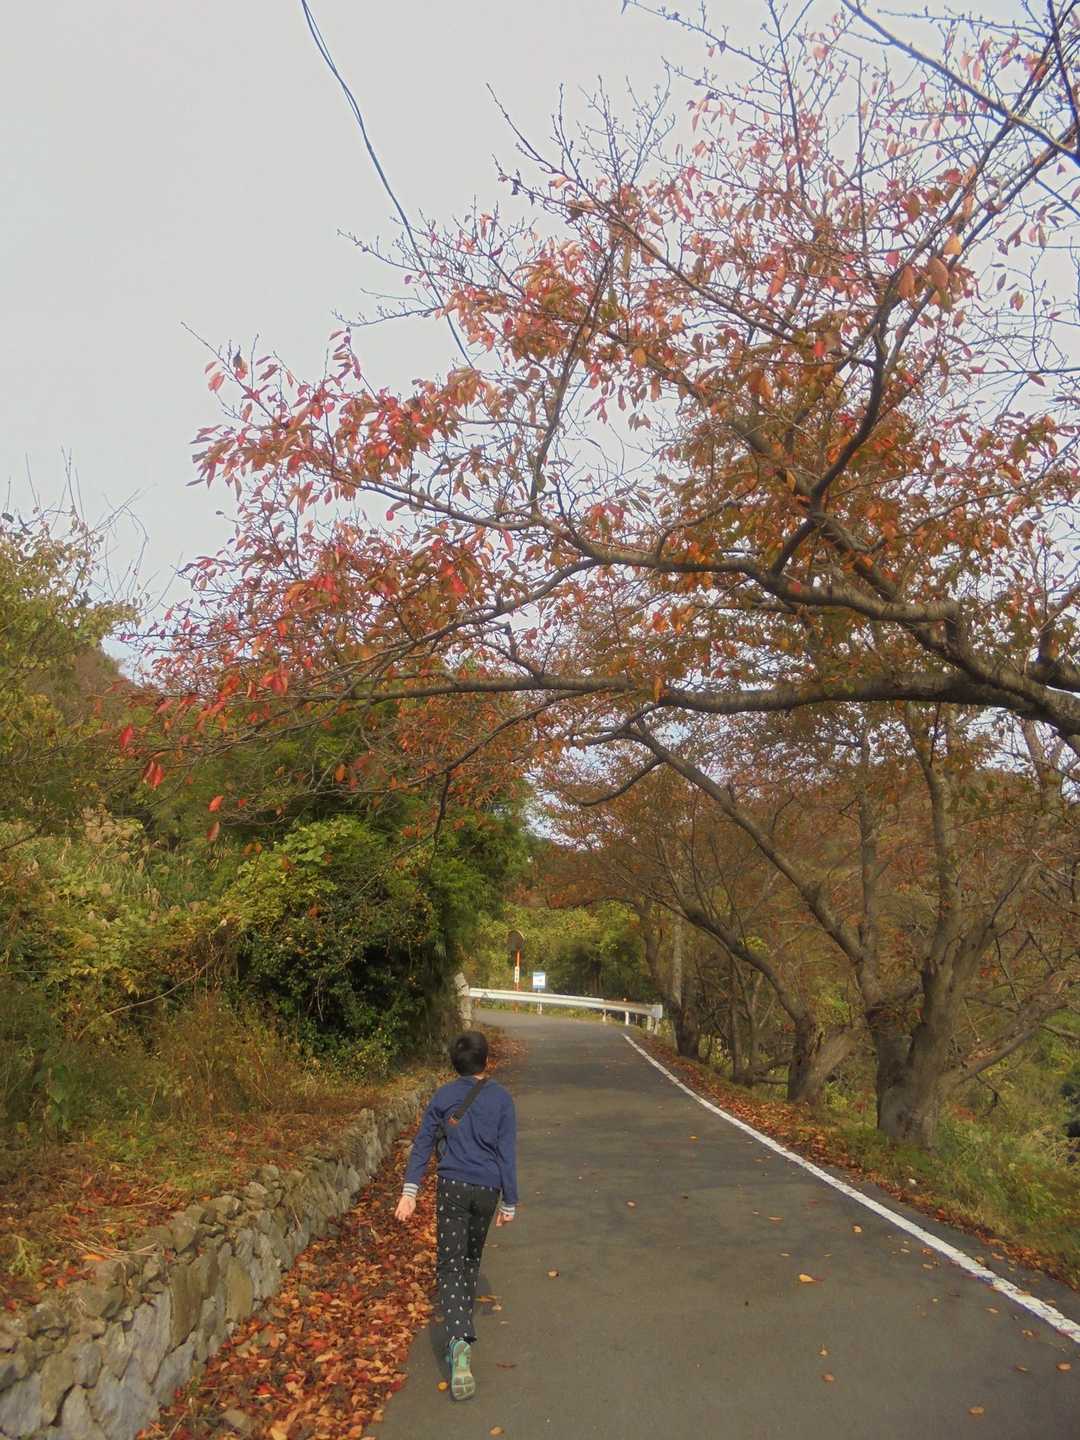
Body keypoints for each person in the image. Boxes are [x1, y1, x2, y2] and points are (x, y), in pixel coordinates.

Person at [394, 1030, 518, 1401]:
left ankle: (460, 1340)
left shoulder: (444, 1096)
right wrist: (510, 1202)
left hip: (453, 1186)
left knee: (449, 1264)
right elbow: (507, 1153)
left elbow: (423, 1143)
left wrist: (410, 1192)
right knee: (470, 1260)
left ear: (454, 1063)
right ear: (486, 1061)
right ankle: (461, 1325)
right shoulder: (502, 1099)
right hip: (488, 1190)